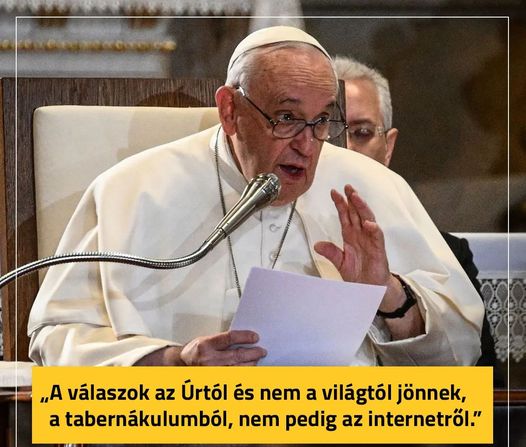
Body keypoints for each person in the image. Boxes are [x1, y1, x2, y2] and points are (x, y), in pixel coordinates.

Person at [27, 26, 483, 370]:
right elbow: (55, 336)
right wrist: (173, 362)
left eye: (322, 121)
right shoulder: (131, 190)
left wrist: (388, 294)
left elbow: (463, 351)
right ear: (230, 110)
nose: (308, 145)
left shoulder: (372, 188)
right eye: (286, 117)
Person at [333, 56, 498, 372]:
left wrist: (391, 294)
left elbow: (483, 385)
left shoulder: (448, 254)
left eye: (362, 132)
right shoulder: (279, 241)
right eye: (329, 132)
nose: (345, 148)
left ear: (388, 147)